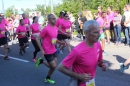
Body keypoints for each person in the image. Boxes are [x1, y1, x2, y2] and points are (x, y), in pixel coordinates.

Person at [58, 20, 108, 86]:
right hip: (79, 83)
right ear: (86, 33)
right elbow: (61, 67)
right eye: (96, 32)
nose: (99, 35)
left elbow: (99, 61)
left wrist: (103, 65)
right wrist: (79, 76)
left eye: (99, 31)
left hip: (91, 83)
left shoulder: (98, 44)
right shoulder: (77, 51)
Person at [35, 14, 65, 84]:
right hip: (47, 50)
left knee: (53, 66)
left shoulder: (56, 28)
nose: (55, 20)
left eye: (55, 18)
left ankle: (47, 78)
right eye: (53, 19)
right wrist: (42, 50)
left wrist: (61, 43)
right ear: (49, 20)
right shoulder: (46, 29)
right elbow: (37, 39)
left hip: (54, 49)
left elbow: (54, 39)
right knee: (54, 66)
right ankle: (41, 61)